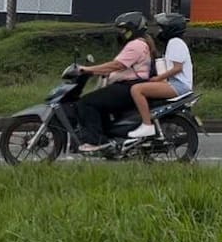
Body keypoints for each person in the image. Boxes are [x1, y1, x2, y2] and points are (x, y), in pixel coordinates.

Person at [75, 12, 155, 153]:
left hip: (128, 87)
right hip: (128, 86)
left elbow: (117, 65)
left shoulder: (136, 45)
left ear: (133, 29)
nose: (121, 33)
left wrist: (87, 70)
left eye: (123, 30)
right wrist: (97, 71)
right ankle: (106, 139)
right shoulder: (139, 44)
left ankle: (95, 141)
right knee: (99, 103)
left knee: (86, 103)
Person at [127, 13, 194, 139]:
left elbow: (177, 68)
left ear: (170, 29)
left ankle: (146, 125)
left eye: (161, 28)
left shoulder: (175, 43)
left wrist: (158, 78)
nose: (159, 31)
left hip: (178, 85)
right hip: (175, 83)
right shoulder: (174, 43)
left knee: (137, 89)